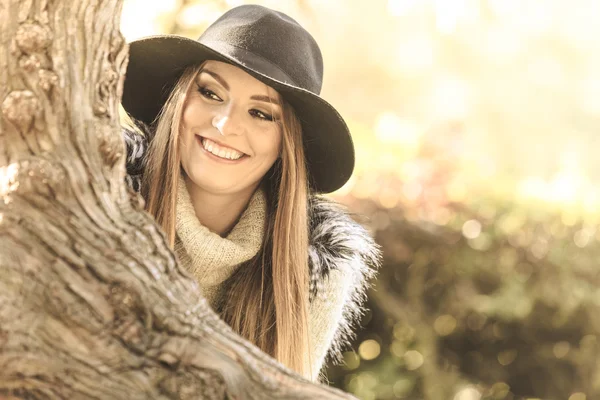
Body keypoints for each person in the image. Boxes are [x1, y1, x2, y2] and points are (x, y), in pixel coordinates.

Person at [120, 4, 381, 383]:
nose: (225, 125)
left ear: (286, 145)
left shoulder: (314, 273)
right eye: (210, 92)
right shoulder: (100, 197)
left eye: (261, 114)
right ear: (179, 98)